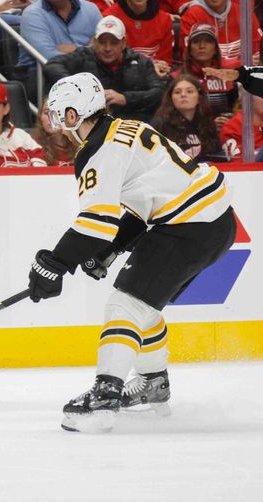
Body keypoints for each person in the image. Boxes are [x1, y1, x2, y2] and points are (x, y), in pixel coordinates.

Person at [28, 72, 235, 433]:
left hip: (189, 225)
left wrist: (53, 265)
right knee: (143, 301)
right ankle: (153, 382)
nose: (56, 122)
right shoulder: (126, 127)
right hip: (214, 219)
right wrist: (110, 249)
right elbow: (148, 198)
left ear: (75, 114)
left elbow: (95, 221)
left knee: (125, 304)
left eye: (59, 114)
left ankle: (105, 394)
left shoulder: (97, 151)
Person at [44, 15, 165, 123]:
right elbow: (52, 65)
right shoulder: (84, 56)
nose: (107, 48)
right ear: (94, 42)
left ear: (123, 43)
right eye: (102, 42)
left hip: (133, 126)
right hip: (91, 125)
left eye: (114, 43)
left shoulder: (141, 63)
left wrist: (125, 98)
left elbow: (159, 92)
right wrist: (78, 87)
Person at [14, 0, 101, 99]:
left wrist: (71, 48)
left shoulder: (91, 9)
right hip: (42, 78)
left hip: (84, 74)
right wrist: (89, 49)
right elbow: (50, 58)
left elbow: (104, 48)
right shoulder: (32, 14)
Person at [176, 22, 239, 132]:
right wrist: (208, 124)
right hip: (190, 132)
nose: (202, 46)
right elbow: (172, 115)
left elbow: (236, 109)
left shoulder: (228, 76)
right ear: (189, 49)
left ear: (215, 49)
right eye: (196, 42)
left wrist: (229, 120)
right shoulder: (177, 78)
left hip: (226, 130)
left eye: (208, 41)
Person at [151, 75, 223, 163]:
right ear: (171, 98)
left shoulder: (207, 123)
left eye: (189, 91)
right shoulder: (160, 123)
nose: (183, 95)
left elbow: (217, 157)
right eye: (177, 92)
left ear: (199, 97)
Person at [102, 0, 173, 78]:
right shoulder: (109, 19)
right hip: (119, 79)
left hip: (155, 79)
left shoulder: (164, 19)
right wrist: (147, 68)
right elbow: (109, 62)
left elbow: (165, 62)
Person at [180, 0, 261, 63]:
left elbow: (258, 49)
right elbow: (191, 57)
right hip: (206, 76)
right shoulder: (191, 15)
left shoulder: (244, 13)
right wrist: (238, 63)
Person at [31, 98, 74, 166]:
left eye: (57, 112)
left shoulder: (81, 144)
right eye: (47, 112)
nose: (51, 117)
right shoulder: (33, 146)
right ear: (40, 118)